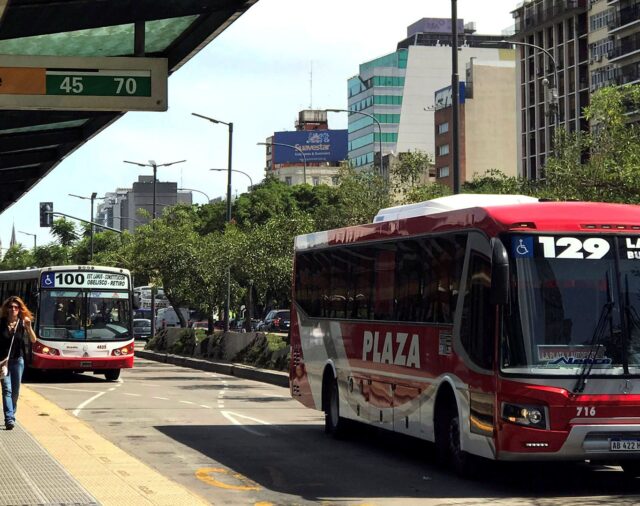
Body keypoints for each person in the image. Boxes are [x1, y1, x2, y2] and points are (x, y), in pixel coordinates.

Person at [0, 296, 37, 430]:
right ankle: (9, 418)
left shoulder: (22, 323)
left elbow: (33, 340)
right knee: (7, 390)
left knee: (15, 392)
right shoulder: (1, 323)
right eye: (11, 307)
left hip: (18, 361)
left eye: (16, 307)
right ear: (7, 309)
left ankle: (12, 412)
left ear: (20, 309)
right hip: (3, 363)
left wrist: (29, 326)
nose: (13, 309)